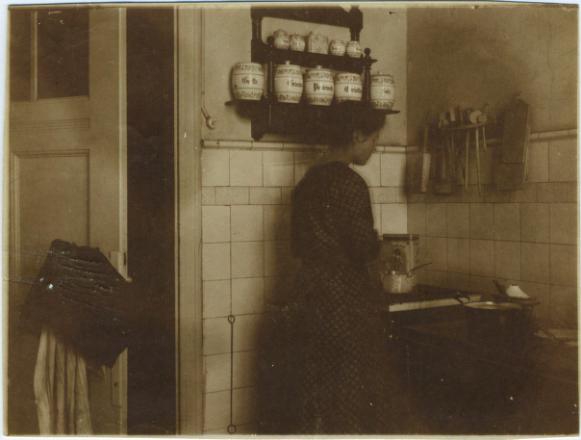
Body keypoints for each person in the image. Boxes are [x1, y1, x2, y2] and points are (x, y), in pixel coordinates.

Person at [287, 102, 401, 434]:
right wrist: (381, 245)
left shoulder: (307, 182)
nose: (374, 147)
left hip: (308, 294)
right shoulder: (350, 183)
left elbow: (297, 244)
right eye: (373, 140)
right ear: (356, 135)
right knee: (348, 395)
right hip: (342, 302)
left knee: (316, 394)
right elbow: (361, 248)